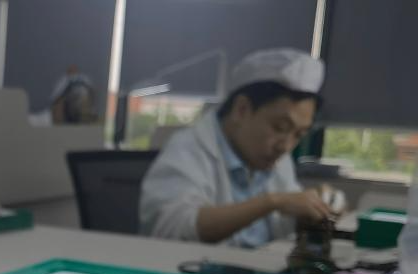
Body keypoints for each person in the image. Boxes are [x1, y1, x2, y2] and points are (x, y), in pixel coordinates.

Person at [140, 49, 337, 247]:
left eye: (299, 134)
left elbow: (284, 222)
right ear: (241, 110)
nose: (286, 146)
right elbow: (176, 229)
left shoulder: (276, 157)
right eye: (280, 127)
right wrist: (271, 202)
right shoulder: (188, 148)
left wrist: (315, 209)